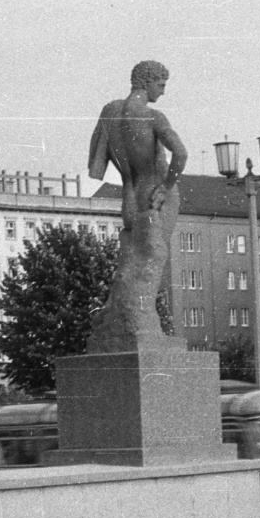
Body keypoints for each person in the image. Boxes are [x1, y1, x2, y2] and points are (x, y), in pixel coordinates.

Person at [85, 60, 188, 351]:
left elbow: (96, 164)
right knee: (152, 260)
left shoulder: (109, 112)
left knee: (130, 262)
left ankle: (119, 321)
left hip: (129, 195)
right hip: (156, 192)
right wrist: (166, 187)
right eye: (161, 85)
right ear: (147, 82)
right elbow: (181, 153)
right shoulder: (154, 117)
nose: (163, 92)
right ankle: (140, 325)